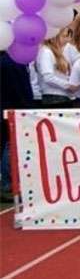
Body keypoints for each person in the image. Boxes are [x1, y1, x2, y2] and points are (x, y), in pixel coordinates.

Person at [0, 51, 34, 202]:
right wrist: (27, 107)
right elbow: (22, 90)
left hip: (6, 105)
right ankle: (8, 183)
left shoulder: (9, 61)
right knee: (10, 144)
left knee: (6, 144)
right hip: (12, 108)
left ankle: (7, 182)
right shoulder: (14, 62)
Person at [37, 29, 75, 108]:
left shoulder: (55, 52)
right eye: (64, 36)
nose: (67, 40)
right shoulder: (46, 52)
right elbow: (48, 77)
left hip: (61, 97)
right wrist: (69, 85)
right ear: (54, 37)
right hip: (53, 98)